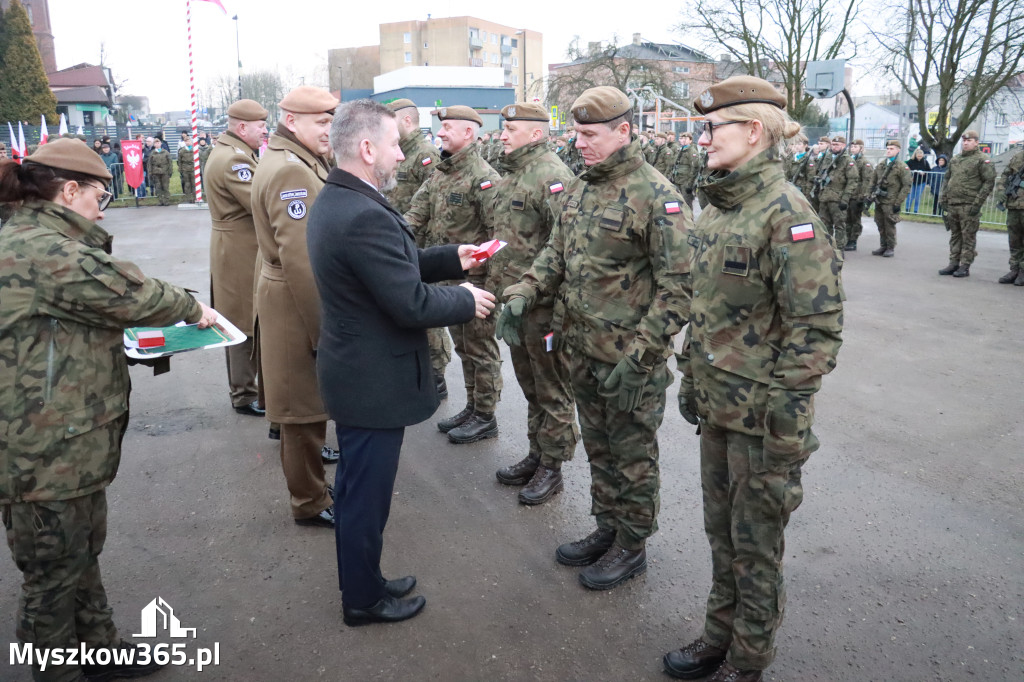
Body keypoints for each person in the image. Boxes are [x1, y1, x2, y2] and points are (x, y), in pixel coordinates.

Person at [0, 138, 218, 682]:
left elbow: (66, 325)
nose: (106, 202)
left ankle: (99, 649)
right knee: (51, 577)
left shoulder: (38, 237)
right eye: (102, 192)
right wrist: (194, 307)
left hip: (64, 440)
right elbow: (131, 294)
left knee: (79, 554)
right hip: (41, 449)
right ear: (69, 191)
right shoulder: (40, 247)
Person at [663, 75, 844, 682]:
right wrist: (690, 376)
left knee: (756, 548)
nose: (704, 138)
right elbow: (704, 308)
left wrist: (786, 430)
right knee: (722, 536)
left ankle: (747, 661)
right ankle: (719, 635)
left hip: (764, 424)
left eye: (713, 128)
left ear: (753, 131)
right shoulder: (718, 210)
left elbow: (814, 331)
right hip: (720, 409)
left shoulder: (787, 217)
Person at [307, 99, 495, 626]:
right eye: (393, 144)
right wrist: (465, 298)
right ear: (368, 149)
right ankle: (363, 600)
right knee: (364, 500)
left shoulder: (344, 198)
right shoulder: (362, 212)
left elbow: (392, 265)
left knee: (359, 494)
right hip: (371, 381)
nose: (400, 153)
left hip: (358, 372)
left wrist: (451, 255)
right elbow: (408, 302)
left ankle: (366, 579)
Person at [499, 86, 691, 591]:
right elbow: (555, 256)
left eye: (589, 134)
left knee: (633, 454)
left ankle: (632, 544)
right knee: (602, 449)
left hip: (628, 361)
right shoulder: (583, 188)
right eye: (575, 133)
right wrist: (525, 289)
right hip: (581, 348)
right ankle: (607, 527)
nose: (578, 143)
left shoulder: (658, 196)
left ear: (623, 131)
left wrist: (644, 356)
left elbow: (679, 289)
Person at [252, 85, 340, 528]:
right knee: (301, 411)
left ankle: (314, 489)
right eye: (322, 122)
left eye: (331, 121)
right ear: (292, 121)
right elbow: (302, 261)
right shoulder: (292, 172)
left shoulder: (297, 161)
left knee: (304, 406)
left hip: (285, 297)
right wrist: (325, 334)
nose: (330, 130)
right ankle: (309, 500)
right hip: (295, 304)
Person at [488, 102, 580, 505]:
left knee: (552, 389)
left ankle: (553, 467)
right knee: (530, 386)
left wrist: (555, 307)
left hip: (543, 307)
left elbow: (567, 248)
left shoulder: (553, 176)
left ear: (537, 134)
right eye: (504, 128)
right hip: (516, 303)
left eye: (511, 129)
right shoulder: (513, 174)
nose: (503, 135)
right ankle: (537, 452)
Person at [404, 105, 503, 444]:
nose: (440, 133)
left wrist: (491, 285)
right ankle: (473, 406)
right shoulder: (441, 173)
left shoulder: (484, 178)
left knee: (480, 349)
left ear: (469, 133)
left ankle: (486, 414)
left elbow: (498, 235)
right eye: (440, 127)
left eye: (447, 127)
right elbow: (414, 217)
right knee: (463, 347)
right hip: (446, 275)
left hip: (476, 282)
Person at [205, 99, 270, 417]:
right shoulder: (234, 161)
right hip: (240, 252)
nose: (265, 132)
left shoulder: (233, 154)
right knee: (244, 323)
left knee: (241, 319)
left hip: (235, 248)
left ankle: (245, 392)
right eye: (260, 127)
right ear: (242, 127)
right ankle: (244, 394)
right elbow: (260, 202)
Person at [382, 99, 449, 396]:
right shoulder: (402, 154)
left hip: (419, 246)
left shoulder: (425, 155)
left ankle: (437, 372)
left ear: (407, 121)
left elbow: (434, 204)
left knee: (429, 316)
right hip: (400, 243)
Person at [938, 130, 996, 278]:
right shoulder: (955, 159)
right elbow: (947, 179)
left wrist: (977, 203)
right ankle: (953, 263)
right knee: (955, 235)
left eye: (969, 141)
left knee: (968, 237)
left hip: (969, 204)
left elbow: (988, 182)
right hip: (953, 204)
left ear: (976, 142)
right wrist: (943, 198)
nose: (965, 143)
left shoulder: (982, 160)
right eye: (964, 141)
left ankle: (965, 265)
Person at [812, 135, 858, 255]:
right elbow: (819, 172)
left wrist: (845, 199)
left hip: (838, 198)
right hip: (824, 197)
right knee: (825, 225)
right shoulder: (827, 158)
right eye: (833, 144)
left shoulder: (848, 161)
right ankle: (828, 248)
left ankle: (839, 249)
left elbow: (852, 181)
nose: (834, 146)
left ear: (843, 146)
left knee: (839, 226)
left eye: (837, 145)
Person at [869, 140, 912, 258]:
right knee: (880, 223)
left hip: (891, 201)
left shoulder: (902, 167)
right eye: (888, 148)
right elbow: (873, 181)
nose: (888, 150)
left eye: (892, 148)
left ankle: (890, 247)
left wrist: (898, 202)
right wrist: (869, 195)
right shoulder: (881, 165)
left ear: (898, 150)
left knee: (889, 225)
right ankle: (883, 245)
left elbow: (906, 185)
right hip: (879, 200)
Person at [995, 146, 1024, 285]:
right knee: (1014, 240)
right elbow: (1005, 175)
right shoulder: (1017, 157)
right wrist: (1001, 189)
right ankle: (1014, 269)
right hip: (1014, 206)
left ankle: (1023, 272)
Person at [845, 139, 872, 250]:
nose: (853, 149)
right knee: (847, 218)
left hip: (857, 195)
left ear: (861, 148)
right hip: (848, 194)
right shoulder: (848, 160)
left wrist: (864, 195)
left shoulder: (864, 162)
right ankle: (847, 238)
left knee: (855, 218)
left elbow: (867, 180)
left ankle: (853, 240)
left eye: (856, 147)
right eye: (852, 147)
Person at [670, 131, 700, 210]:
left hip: (685, 182)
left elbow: (694, 169)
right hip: (677, 180)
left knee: (686, 203)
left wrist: (690, 184)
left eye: (685, 138)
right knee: (675, 202)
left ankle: (689, 221)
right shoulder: (680, 150)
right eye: (681, 138)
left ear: (690, 140)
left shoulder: (692, 151)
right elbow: (675, 165)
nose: (682, 140)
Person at [146, 138, 173, 206]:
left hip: (165, 172)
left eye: (158, 143)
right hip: (156, 172)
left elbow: (170, 162)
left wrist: (170, 171)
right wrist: (150, 172)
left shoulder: (165, 152)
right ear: (154, 144)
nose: (157, 144)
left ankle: (166, 200)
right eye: (155, 143)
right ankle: (161, 200)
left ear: (161, 144)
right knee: (158, 187)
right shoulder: (152, 153)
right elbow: (149, 164)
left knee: (165, 187)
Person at [905, 147, 931, 213]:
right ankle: (907, 209)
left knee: (918, 196)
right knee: (910, 195)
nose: (920, 156)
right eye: (918, 155)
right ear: (915, 155)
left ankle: (916, 210)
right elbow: (906, 170)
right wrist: (914, 172)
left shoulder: (925, 162)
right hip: (912, 181)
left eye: (921, 155)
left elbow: (929, 171)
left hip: (921, 181)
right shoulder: (910, 162)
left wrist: (924, 173)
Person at [177, 131, 194, 203]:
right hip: (185, 168)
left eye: (188, 141)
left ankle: (195, 197)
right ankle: (188, 198)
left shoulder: (194, 149)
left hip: (193, 168)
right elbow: (179, 161)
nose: (187, 142)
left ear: (191, 141)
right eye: (186, 141)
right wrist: (180, 169)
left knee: (194, 184)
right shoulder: (182, 151)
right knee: (187, 184)